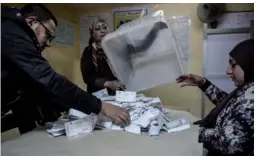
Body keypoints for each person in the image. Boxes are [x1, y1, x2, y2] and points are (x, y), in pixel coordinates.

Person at [1, 4, 130, 134]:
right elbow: (51, 81)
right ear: (32, 22)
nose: (49, 43)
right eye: (48, 35)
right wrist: (102, 107)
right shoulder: (11, 32)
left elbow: (39, 84)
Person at [176, 39, 254, 156]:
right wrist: (203, 83)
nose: (228, 71)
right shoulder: (248, 89)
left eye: (233, 65)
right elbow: (231, 106)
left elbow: (232, 144)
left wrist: (194, 132)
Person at [80, 18, 125, 95]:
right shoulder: (89, 51)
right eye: (97, 29)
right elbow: (87, 77)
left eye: (104, 27)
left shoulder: (116, 48)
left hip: (119, 93)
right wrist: (108, 84)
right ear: (92, 34)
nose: (102, 31)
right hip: (98, 96)